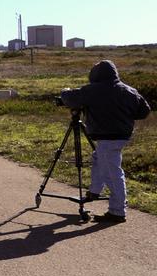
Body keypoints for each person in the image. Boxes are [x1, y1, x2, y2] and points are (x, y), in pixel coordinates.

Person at [59, 60, 151, 223]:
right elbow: (144, 110)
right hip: (122, 135)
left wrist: (64, 92)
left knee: (113, 172)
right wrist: (124, 116)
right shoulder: (129, 90)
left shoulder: (93, 90)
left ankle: (117, 211)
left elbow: (71, 98)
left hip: (108, 136)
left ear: (96, 74)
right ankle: (94, 191)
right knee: (99, 158)